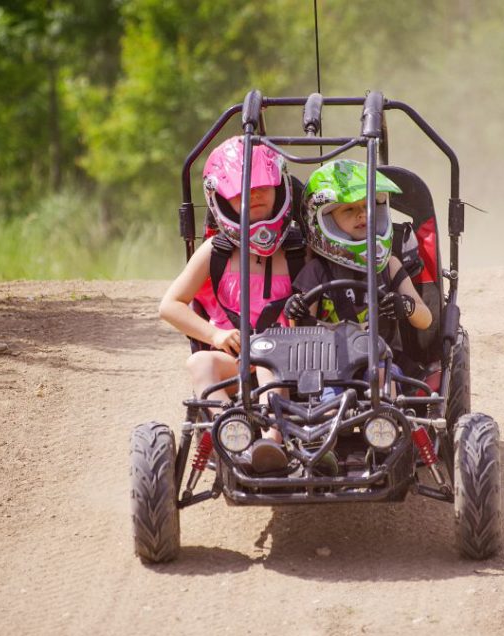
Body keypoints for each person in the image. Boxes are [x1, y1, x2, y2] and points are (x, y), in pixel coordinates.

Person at [159, 136, 302, 474]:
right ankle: (232, 432)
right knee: (198, 363)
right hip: (232, 356)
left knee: (267, 358)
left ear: (280, 187)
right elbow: (170, 305)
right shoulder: (216, 251)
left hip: (288, 356)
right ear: (220, 197)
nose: (254, 195)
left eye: (263, 186)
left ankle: (271, 440)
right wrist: (217, 335)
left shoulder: (297, 249)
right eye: (241, 190)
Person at [284, 159, 433, 371]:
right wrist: (296, 313)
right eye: (349, 209)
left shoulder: (389, 264)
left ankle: (382, 405)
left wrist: (406, 306)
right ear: (326, 221)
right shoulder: (316, 270)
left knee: (382, 374)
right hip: (329, 365)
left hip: (383, 359)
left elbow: (425, 319)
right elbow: (300, 335)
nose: (362, 214)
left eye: (367, 205)